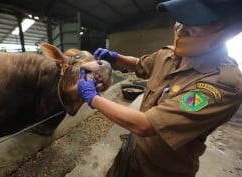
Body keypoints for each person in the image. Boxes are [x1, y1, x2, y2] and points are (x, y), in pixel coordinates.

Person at [78, 0, 242, 176]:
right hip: (136, 153)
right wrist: (115, 57)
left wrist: (93, 98)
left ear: (227, 31)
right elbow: (141, 64)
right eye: (179, 20)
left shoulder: (220, 85)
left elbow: (145, 125)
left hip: (163, 170)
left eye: (193, 24)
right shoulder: (169, 54)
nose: (180, 30)